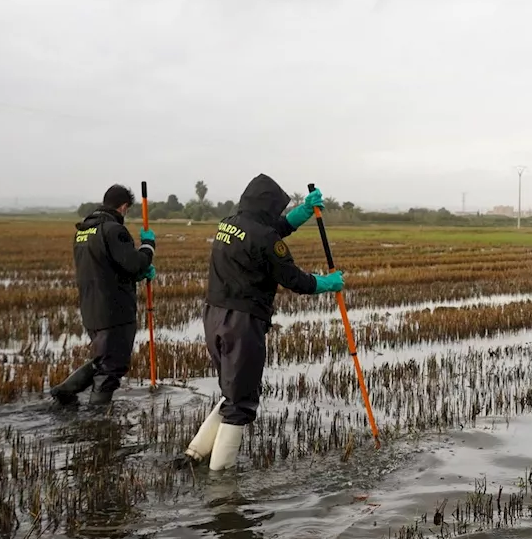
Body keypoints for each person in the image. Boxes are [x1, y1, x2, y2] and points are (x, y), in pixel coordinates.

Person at [182, 175, 344, 471]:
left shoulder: (229, 223)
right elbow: (293, 278)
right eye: (277, 209)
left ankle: (194, 455)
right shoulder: (264, 238)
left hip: (214, 315)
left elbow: (267, 232)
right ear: (267, 205)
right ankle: (221, 481)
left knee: (234, 390)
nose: (278, 215)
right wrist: (325, 283)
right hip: (242, 322)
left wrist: (301, 214)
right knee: (242, 400)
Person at [50, 184, 156, 405]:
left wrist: (133, 275)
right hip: (114, 310)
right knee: (112, 366)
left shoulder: (84, 231)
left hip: (92, 309)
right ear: (124, 206)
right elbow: (134, 263)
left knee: (103, 360)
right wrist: (148, 246)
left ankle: (65, 392)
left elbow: (105, 267)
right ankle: (98, 420)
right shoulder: (113, 230)